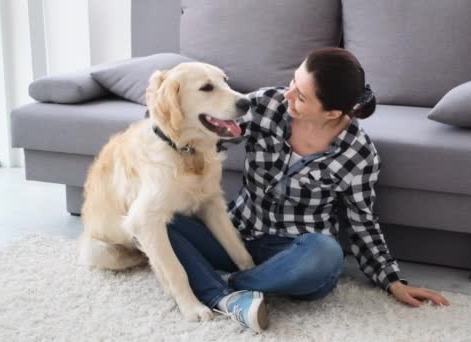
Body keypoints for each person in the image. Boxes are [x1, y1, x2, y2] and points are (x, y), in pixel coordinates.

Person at [166, 47, 450, 333]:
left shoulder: (358, 153)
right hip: (235, 234)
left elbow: (362, 221)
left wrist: (392, 280)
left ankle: (228, 285)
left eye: (300, 96)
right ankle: (227, 298)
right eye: (293, 82)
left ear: (332, 112)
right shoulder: (266, 105)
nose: (287, 95)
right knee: (161, 217)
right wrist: (167, 111)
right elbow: (202, 136)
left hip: (296, 254)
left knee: (327, 253)